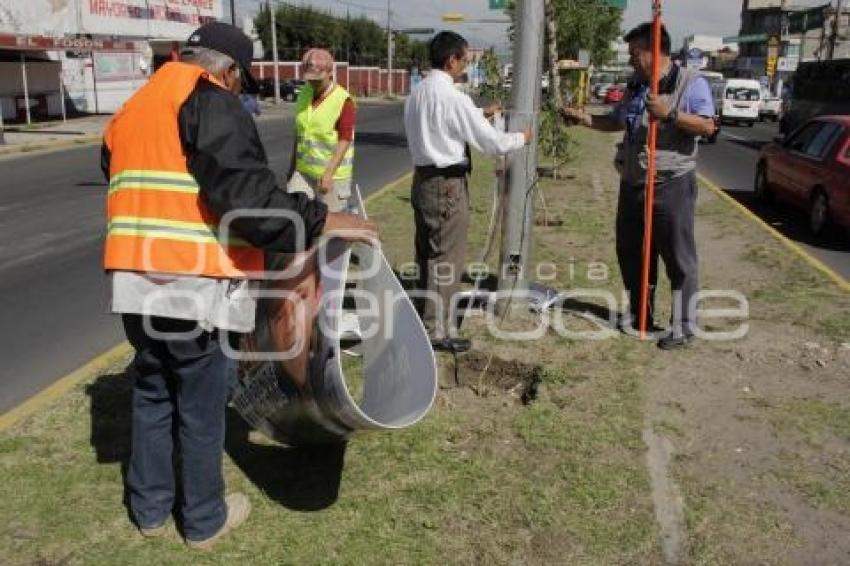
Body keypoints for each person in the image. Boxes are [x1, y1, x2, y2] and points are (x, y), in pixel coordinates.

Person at [100, 22, 376, 549]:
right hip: (191, 282)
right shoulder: (209, 101)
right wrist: (323, 221)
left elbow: (128, 173)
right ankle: (203, 520)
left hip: (134, 280)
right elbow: (250, 204)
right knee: (201, 405)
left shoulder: (135, 106)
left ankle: (150, 509)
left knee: (153, 391)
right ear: (227, 72)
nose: (237, 88)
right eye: (239, 80)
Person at [561, 23, 715, 350]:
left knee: (678, 257)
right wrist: (583, 118)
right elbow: (617, 121)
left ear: (655, 51)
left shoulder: (691, 83)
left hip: (670, 184)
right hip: (632, 183)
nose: (631, 60)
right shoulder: (636, 85)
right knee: (632, 253)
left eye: (635, 54)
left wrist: (671, 114)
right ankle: (640, 314)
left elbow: (707, 126)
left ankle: (684, 326)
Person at [404, 31, 532, 354]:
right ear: (451, 60)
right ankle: (438, 331)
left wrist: (480, 114)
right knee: (447, 259)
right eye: (464, 60)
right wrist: (522, 138)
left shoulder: (417, 94)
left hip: (422, 181)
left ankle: (424, 319)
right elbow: (491, 142)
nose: (466, 65)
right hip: (446, 185)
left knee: (427, 255)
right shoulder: (453, 98)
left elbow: (445, 126)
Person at [287, 48, 356, 213]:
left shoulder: (343, 100)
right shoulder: (304, 94)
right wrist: (292, 167)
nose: (313, 83)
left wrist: (328, 173)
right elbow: (300, 134)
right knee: (296, 218)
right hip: (303, 173)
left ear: (330, 72)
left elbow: (345, 139)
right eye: (310, 79)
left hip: (332, 177)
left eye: (318, 79)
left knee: (331, 227)